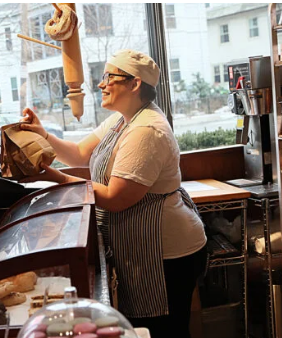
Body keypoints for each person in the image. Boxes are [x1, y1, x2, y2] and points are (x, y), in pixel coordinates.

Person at [20, 49, 207, 338]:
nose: (100, 84)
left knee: (164, 330)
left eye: (109, 77)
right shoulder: (123, 118)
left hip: (166, 253)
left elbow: (116, 198)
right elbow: (80, 153)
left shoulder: (146, 129)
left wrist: (56, 179)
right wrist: (43, 134)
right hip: (142, 248)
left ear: (135, 84)